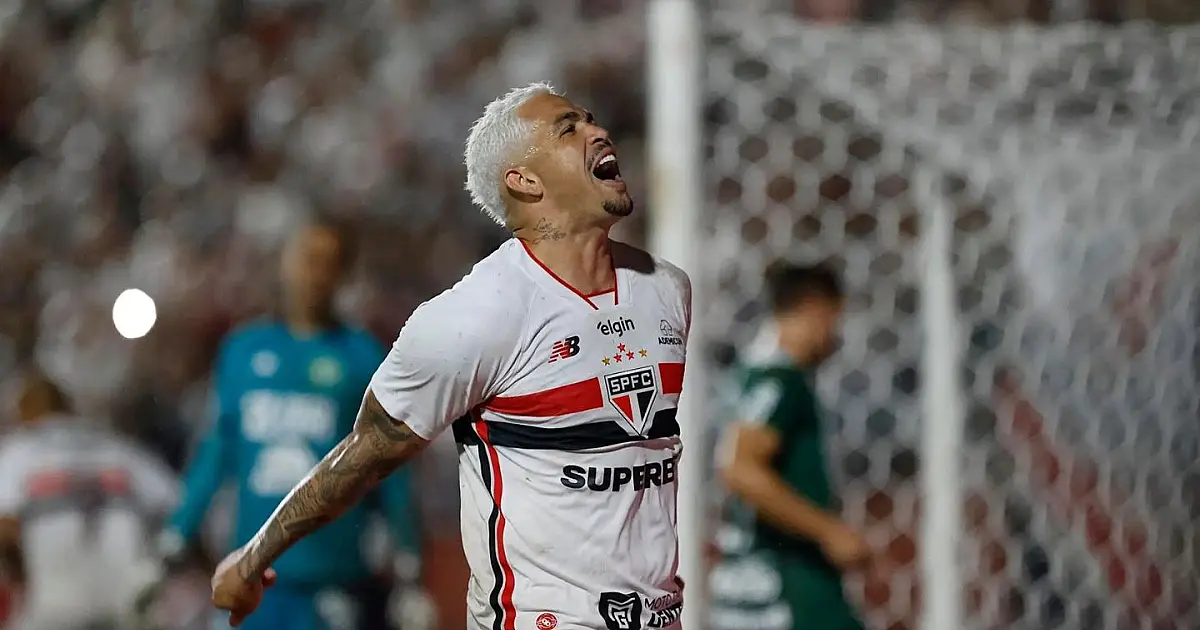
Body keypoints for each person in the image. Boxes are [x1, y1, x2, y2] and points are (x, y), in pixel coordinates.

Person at [208, 82, 692, 630]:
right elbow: (364, 454)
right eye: (569, 128)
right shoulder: (474, 316)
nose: (598, 131)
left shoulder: (666, 290)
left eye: (590, 119)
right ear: (524, 180)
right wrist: (252, 560)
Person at [158, 219, 432, 630]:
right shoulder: (242, 350)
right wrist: (175, 535)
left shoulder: (363, 357)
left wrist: (410, 566)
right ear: (284, 262)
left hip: (332, 578)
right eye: (307, 258)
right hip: (252, 576)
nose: (313, 273)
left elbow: (390, 469)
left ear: (343, 274)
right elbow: (217, 454)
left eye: (326, 262)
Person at [709, 261, 868, 630]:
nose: (836, 336)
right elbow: (741, 469)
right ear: (816, 311)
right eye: (835, 320)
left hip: (750, 580)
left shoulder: (751, 373)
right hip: (784, 582)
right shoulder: (781, 381)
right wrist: (829, 532)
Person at [0, 369, 177, 630]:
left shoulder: (19, 450)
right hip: (124, 595)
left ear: (23, 414)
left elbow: (5, 528)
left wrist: (16, 575)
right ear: (67, 407)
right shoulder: (118, 447)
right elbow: (177, 506)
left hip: (54, 602)